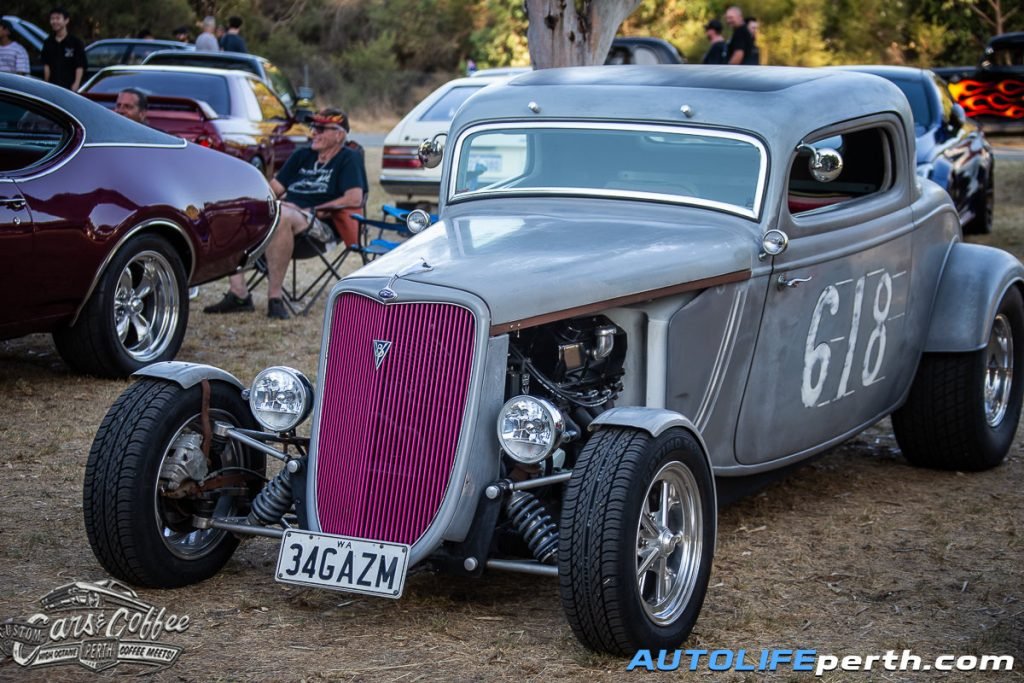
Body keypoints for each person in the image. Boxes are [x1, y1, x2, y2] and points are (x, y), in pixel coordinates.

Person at [204, 108, 365, 320]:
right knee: (236, 212)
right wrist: (245, 202)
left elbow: (354, 199)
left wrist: (313, 210)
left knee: (282, 215)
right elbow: (272, 190)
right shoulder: (302, 156)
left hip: (319, 224)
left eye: (320, 129)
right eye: (313, 128)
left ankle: (275, 298)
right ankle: (239, 294)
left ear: (339, 134)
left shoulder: (349, 159)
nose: (314, 133)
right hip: (284, 215)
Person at [41, 7, 86, 90]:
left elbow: (80, 66)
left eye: (58, 18)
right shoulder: (48, 42)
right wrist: (46, 84)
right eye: (52, 19)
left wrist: (76, 84)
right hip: (52, 87)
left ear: (66, 20)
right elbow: (46, 66)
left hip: (69, 87)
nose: (54, 21)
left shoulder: (75, 42)